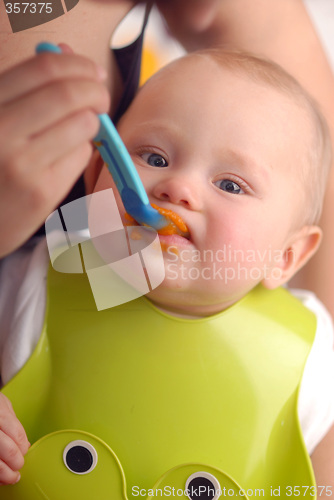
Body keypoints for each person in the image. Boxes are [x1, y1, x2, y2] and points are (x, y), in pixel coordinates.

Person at [0, 48, 333, 492]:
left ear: (286, 257)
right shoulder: (38, 278)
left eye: (230, 184)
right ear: (97, 171)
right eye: (154, 157)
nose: (177, 188)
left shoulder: (307, 350)